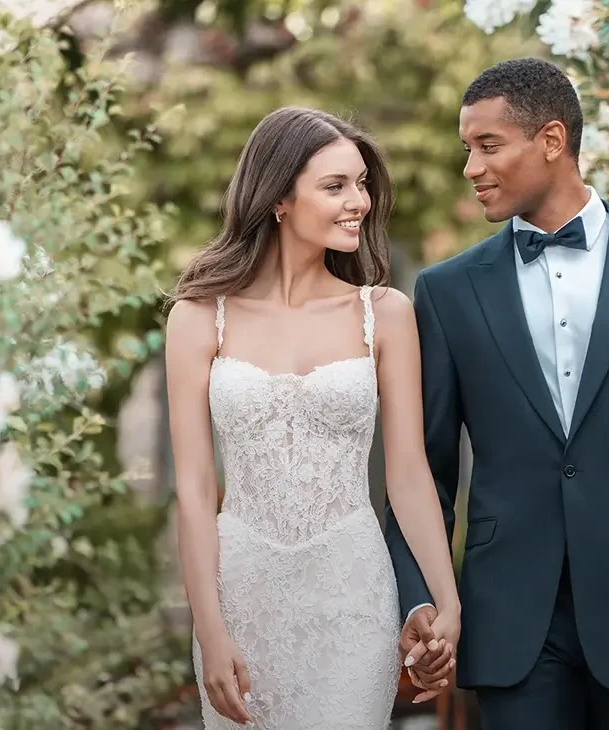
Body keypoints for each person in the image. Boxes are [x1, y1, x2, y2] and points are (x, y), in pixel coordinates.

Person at [385, 58, 609, 730]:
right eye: (467, 149)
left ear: (552, 140)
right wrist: (419, 600)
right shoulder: (446, 291)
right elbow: (421, 468)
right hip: (512, 618)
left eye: (488, 146)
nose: (471, 168)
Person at [165, 106, 460, 729]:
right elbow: (193, 492)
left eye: (361, 184)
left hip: (350, 593)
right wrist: (210, 630)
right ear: (277, 199)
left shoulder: (386, 313)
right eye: (335, 186)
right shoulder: (197, 317)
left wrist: (446, 597)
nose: (359, 201)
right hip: (241, 594)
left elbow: (407, 474)